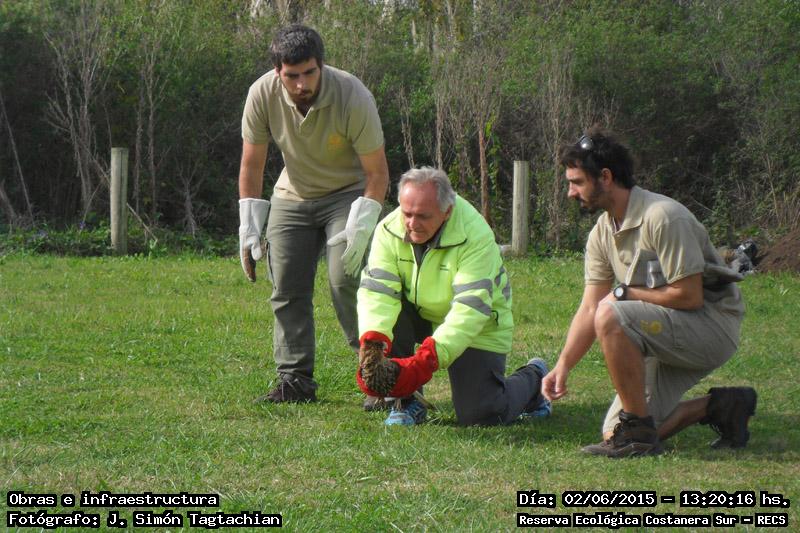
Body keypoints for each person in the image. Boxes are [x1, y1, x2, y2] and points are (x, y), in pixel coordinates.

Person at [541, 128, 757, 457]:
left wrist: (626, 293)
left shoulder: (664, 218)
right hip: (662, 332)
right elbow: (589, 307)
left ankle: (638, 434)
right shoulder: (602, 232)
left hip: (710, 327)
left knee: (612, 312)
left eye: (577, 182)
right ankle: (723, 406)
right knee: (613, 431)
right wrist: (562, 366)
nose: (570, 192)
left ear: (605, 177)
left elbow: (690, 296)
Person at [238, 24, 389, 403]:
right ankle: (295, 381)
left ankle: (378, 377)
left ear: (321, 65)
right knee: (286, 285)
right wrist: (250, 226)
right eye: (292, 76)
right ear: (277, 71)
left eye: (309, 72)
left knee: (345, 279)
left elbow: (377, 174)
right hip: (293, 193)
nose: (302, 84)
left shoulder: (353, 95)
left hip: (348, 194)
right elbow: (252, 164)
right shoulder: (261, 94)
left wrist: (364, 221)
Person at [355, 167, 552, 425]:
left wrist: (425, 362)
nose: (412, 224)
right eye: (407, 213)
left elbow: (470, 310)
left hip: (478, 322)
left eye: (423, 216)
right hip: (419, 312)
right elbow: (378, 291)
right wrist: (372, 347)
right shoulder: (388, 229)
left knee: (481, 415)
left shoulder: (476, 234)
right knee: (386, 317)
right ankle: (406, 401)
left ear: (447, 211)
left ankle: (535, 378)